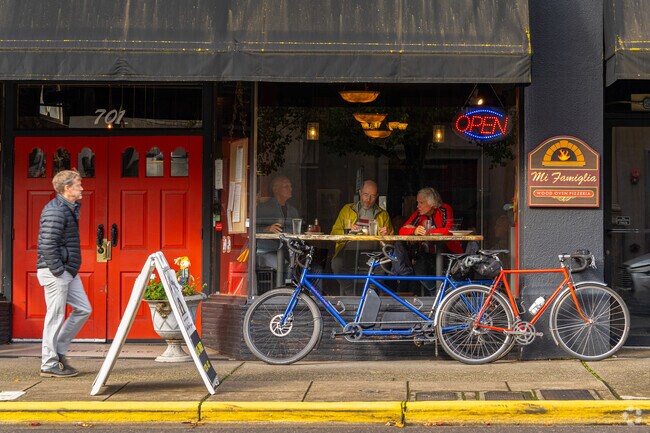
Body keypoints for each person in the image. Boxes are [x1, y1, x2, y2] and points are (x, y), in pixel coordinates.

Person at [36, 169, 92, 378]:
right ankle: (49, 363)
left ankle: (57, 350)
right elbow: (47, 244)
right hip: (56, 271)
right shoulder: (55, 211)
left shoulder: (68, 208)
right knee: (55, 316)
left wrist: (67, 270)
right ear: (67, 188)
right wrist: (59, 271)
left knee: (83, 309)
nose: (82, 188)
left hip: (67, 270)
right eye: (78, 184)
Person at [330, 180, 393, 295]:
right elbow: (334, 233)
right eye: (365, 195)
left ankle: (371, 293)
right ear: (360, 193)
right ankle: (351, 294)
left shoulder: (383, 214)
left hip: (374, 252)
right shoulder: (347, 210)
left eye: (372, 196)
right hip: (349, 252)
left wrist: (386, 234)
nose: (368, 200)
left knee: (383, 264)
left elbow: (391, 242)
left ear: (377, 196)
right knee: (336, 264)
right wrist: (348, 231)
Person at [398, 187, 463, 291]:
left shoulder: (445, 209)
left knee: (451, 276)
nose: (418, 206)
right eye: (417, 202)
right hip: (428, 253)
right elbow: (401, 231)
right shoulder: (419, 214)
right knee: (419, 270)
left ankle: (446, 294)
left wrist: (426, 231)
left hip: (448, 252)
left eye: (421, 203)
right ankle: (436, 292)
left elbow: (448, 230)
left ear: (432, 203)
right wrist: (414, 231)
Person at [255, 175, 300, 270]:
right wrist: (266, 229)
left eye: (290, 186)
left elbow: (299, 231)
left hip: (289, 251)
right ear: (276, 190)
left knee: (314, 268)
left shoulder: (293, 211)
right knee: (287, 267)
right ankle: (285, 285)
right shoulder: (263, 208)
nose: (290, 189)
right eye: (286, 186)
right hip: (266, 252)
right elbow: (250, 229)